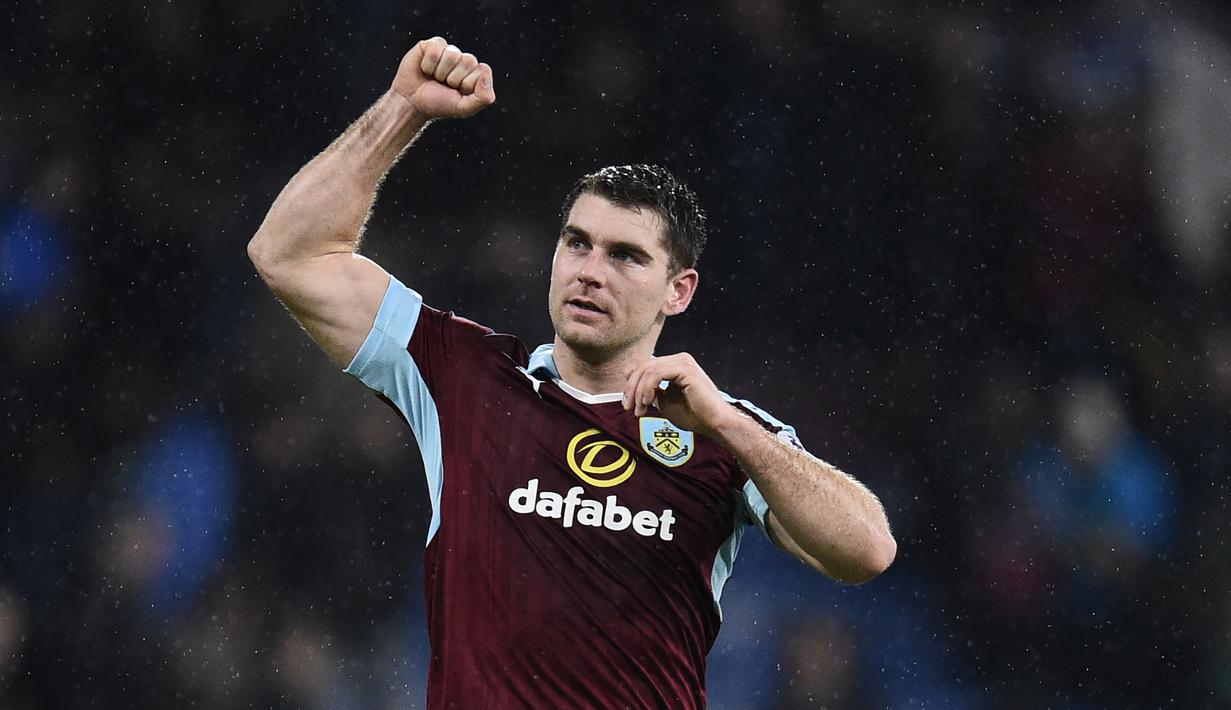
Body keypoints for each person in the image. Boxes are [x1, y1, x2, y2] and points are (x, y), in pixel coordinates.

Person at [248, 36, 896, 708]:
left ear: (678, 291)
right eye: (576, 243)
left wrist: (731, 425)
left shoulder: (719, 432)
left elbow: (866, 550)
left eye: (624, 256)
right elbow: (289, 255)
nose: (589, 271)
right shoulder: (463, 376)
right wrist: (404, 109)